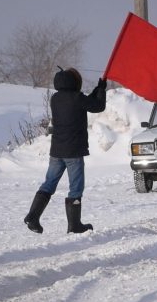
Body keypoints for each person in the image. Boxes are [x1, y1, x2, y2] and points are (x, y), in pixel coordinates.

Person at [24, 67, 107, 234]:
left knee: (49, 184)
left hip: (57, 150)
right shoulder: (77, 97)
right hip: (73, 151)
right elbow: (97, 106)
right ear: (74, 82)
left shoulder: (56, 98)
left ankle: (32, 217)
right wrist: (102, 90)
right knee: (76, 187)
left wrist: (97, 90)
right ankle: (75, 225)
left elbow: (86, 103)